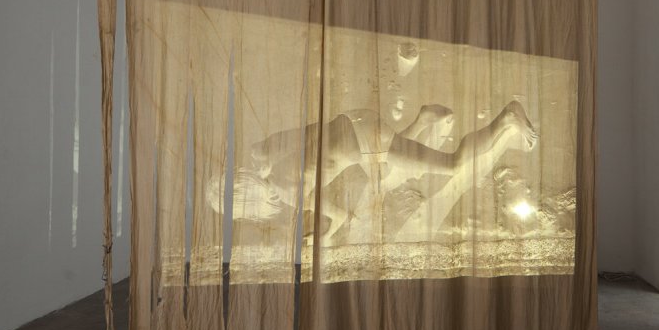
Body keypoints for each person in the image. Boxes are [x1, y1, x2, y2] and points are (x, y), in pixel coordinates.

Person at [210, 101, 537, 243]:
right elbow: (302, 134)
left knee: (452, 164)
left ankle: (507, 118)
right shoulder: (269, 153)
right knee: (384, 174)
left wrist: (322, 237)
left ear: (247, 206)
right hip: (352, 121)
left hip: (366, 142)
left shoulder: (290, 196)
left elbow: (342, 216)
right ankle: (423, 119)